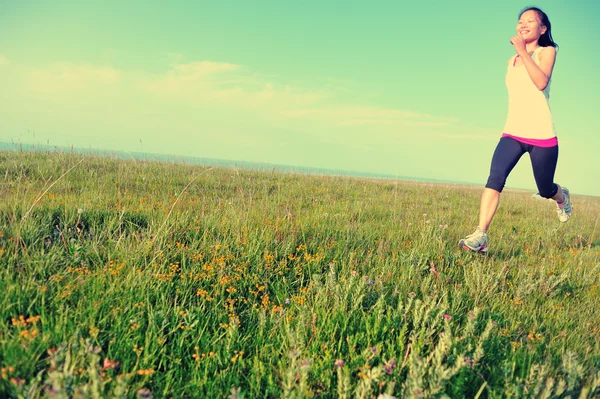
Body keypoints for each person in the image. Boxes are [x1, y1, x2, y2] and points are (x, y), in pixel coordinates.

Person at [459, 6, 572, 253]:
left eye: (530, 20)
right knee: (495, 178)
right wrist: (519, 54)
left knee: (545, 189)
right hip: (512, 132)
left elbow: (541, 82)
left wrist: (523, 50)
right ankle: (481, 235)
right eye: (520, 20)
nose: (523, 24)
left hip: (542, 134)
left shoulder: (547, 51)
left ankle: (561, 197)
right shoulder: (511, 61)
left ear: (542, 29)